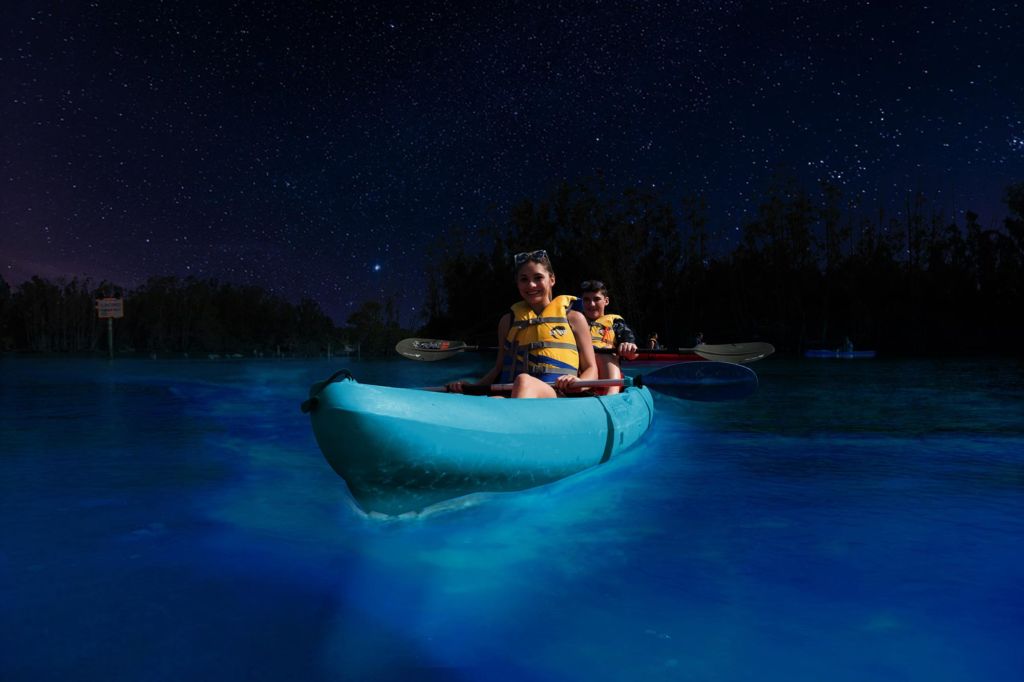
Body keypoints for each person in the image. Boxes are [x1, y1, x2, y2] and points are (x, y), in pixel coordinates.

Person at [446, 249, 597, 398]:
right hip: (515, 394)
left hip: (558, 394)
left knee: (524, 381)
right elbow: (499, 368)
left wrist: (580, 382)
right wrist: (473, 388)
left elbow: (591, 369)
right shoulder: (508, 321)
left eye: (538, 278)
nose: (531, 285)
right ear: (517, 283)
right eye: (524, 279)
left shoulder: (574, 318)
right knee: (495, 400)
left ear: (552, 279)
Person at [577, 280, 638, 395]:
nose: (591, 304)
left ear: (606, 301)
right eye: (586, 300)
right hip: (583, 373)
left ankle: (611, 395)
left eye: (596, 299)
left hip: (606, 373)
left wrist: (628, 347)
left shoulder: (615, 322)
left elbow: (633, 353)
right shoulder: (575, 322)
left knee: (604, 352)